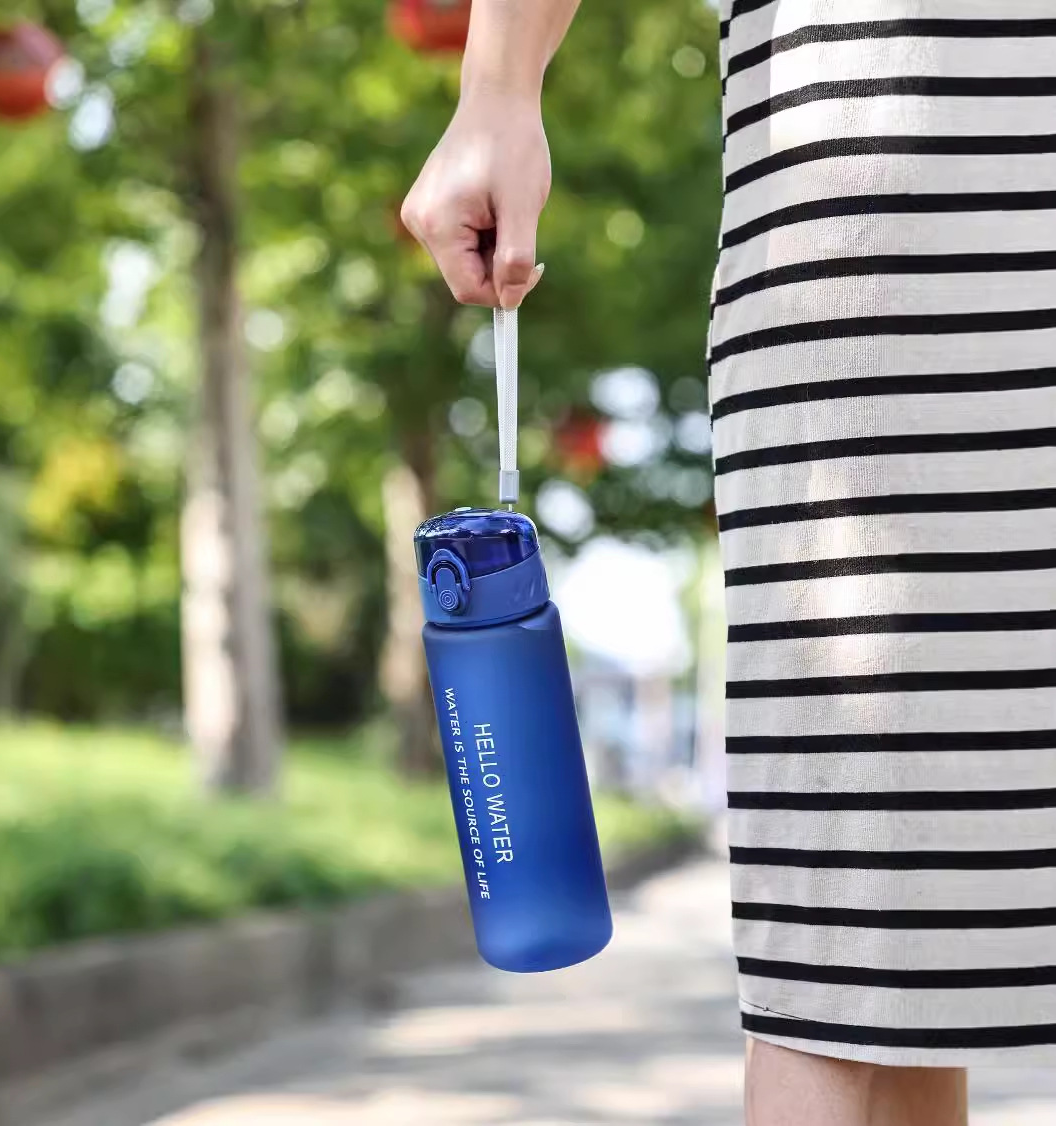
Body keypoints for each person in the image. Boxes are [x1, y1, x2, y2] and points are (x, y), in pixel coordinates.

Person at [403, 2, 1056, 1124]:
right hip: (898, 161)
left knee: (860, 950)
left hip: (887, 170)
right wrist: (497, 84)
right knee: (859, 957)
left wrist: (501, 86)